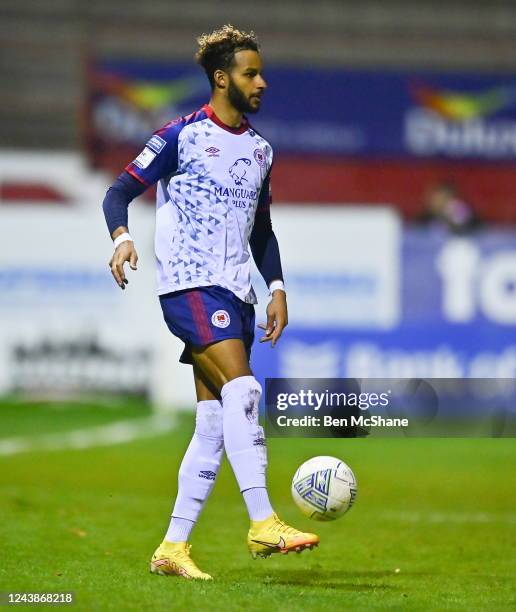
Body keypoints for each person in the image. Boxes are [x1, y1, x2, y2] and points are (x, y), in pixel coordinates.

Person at [102, 25, 318, 581]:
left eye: (261, 72)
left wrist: (276, 288)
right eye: (251, 73)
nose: (262, 82)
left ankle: (172, 548)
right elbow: (118, 191)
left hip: (237, 293)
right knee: (244, 389)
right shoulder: (181, 136)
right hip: (190, 286)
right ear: (223, 79)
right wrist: (122, 238)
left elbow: (262, 231)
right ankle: (263, 520)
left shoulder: (261, 151)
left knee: (213, 424)